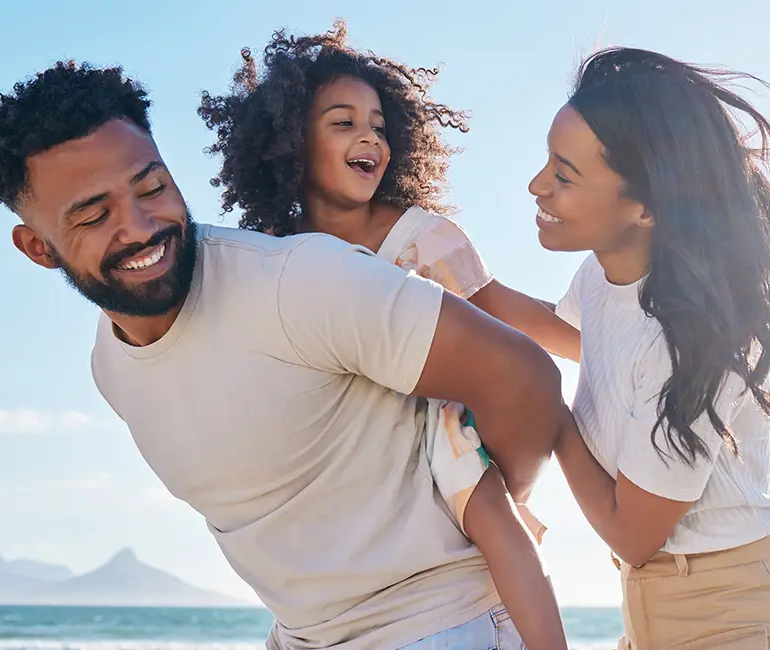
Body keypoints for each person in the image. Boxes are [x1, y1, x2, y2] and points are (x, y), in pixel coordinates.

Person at [0, 59, 570, 650]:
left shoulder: (297, 281)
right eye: (95, 215)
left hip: (438, 626)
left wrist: (482, 501)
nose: (141, 225)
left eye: (152, 187)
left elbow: (525, 378)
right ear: (38, 247)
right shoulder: (111, 367)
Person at [196, 22, 577, 649]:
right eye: (343, 123)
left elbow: (501, 309)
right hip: (347, 443)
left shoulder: (418, 237)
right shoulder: (284, 259)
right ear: (291, 142)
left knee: (494, 522)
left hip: (434, 422)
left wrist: (603, 340)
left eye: (377, 124)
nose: (368, 135)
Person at [530, 47, 770, 649]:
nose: (537, 185)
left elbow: (633, 534)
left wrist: (544, 409)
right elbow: (572, 336)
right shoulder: (606, 278)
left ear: (646, 206)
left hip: (740, 619)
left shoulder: (693, 340)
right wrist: (454, 279)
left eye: (564, 174)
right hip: (655, 613)